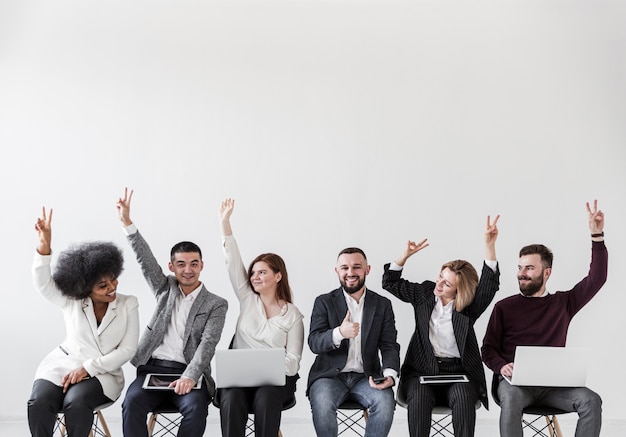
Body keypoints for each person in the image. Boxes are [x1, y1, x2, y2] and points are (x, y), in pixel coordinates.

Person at [481, 200, 607, 437]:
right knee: (511, 398)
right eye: (520, 268)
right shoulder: (504, 307)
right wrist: (502, 366)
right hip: (515, 386)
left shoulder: (564, 303)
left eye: (529, 268)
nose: (521, 274)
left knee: (591, 400)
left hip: (555, 388)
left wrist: (596, 235)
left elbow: (597, 278)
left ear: (546, 272)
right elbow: (487, 349)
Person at [116, 188, 228, 437]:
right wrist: (127, 223)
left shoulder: (216, 303)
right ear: (171, 267)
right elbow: (144, 260)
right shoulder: (164, 288)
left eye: (193, 264)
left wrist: (190, 377)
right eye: (181, 264)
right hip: (153, 370)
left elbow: (208, 344)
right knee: (131, 402)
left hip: (190, 372)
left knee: (196, 407)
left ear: (201, 265)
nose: (187, 270)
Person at [381, 215, 500, 437]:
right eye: (440, 276)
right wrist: (405, 256)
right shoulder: (425, 294)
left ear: (459, 289)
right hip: (422, 370)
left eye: (447, 283)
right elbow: (389, 283)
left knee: (464, 398)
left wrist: (489, 246)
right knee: (419, 398)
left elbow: (489, 285)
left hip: (459, 372)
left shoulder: (468, 308)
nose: (439, 283)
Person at [27, 207, 139, 437]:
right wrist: (44, 245)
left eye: (113, 280)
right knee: (39, 402)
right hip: (62, 366)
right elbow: (43, 285)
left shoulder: (129, 304)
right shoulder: (73, 301)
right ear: (85, 289)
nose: (112, 289)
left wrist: (88, 368)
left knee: (75, 403)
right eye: (102, 286)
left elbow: (128, 350)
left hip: (103, 374)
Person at [217, 198, 304, 437]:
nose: (255, 277)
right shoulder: (247, 298)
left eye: (262, 272)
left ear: (278, 276)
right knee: (232, 399)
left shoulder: (293, 315)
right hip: (239, 381)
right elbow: (232, 262)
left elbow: (294, 361)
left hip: (274, 384)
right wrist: (225, 224)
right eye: (253, 272)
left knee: (266, 396)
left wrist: (268, 365)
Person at [307, 247, 401, 437]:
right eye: (344, 268)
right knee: (323, 405)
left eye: (356, 267)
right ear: (337, 271)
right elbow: (314, 342)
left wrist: (389, 375)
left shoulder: (382, 304)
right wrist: (339, 333)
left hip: (367, 377)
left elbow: (389, 344)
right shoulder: (324, 302)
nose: (350, 273)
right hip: (329, 377)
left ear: (367, 270)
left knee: (385, 403)